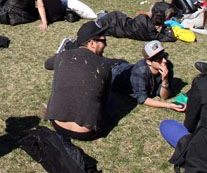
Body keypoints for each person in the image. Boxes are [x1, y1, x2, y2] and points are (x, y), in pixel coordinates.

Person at [43, 22, 111, 162]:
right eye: (103, 41)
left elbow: (47, 64)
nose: (106, 45)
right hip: (86, 132)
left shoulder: (63, 56)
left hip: (57, 125)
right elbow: (105, 102)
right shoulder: (105, 65)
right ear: (92, 43)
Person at [111, 40, 185, 111]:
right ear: (149, 62)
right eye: (159, 59)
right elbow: (143, 99)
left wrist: (165, 80)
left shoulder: (168, 66)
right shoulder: (139, 71)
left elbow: (164, 96)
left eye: (164, 56)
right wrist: (168, 105)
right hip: (113, 71)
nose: (164, 61)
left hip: (126, 65)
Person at [97, 9, 174, 42]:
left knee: (105, 20)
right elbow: (169, 38)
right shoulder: (152, 35)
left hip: (117, 22)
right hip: (118, 27)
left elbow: (139, 14)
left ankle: (101, 16)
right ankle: (101, 16)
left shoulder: (142, 18)